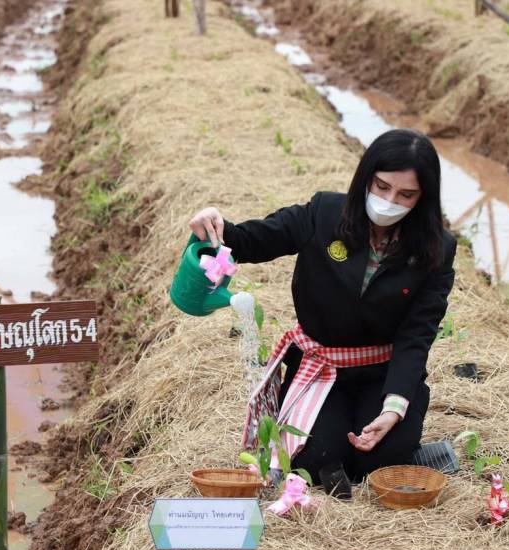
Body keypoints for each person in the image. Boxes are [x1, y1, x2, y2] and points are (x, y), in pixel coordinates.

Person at [188, 129, 456, 489]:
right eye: (381, 187)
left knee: (382, 458)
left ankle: (402, 443)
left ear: (423, 198)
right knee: (315, 460)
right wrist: (215, 230)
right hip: (320, 365)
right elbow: (257, 239)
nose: (389, 201)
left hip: (382, 370)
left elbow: (417, 334)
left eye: (405, 195)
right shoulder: (324, 213)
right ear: (365, 178)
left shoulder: (435, 250)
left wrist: (394, 408)